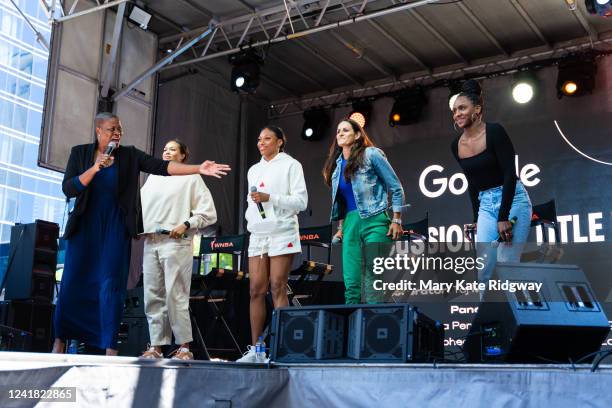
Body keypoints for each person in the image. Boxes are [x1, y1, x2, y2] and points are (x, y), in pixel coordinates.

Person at [52, 113, 230, 356]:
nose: (117, 133)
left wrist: (198, 168)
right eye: (112, 129)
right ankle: (61, 340)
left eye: (120, 129)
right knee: (74, 282)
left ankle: (114, 346)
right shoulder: (80, 153)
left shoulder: (130, 155)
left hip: (120, 228)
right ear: (98, 131)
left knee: (113, 286)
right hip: (88, 226)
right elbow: (69, 188)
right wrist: (95, 168)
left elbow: (163, 167)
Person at [139, 140, 217, 360]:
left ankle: (184, 348)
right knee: (152, 295)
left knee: (176, 295)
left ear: (183, 156)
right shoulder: (153, 178)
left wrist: (186, 224)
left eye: (172, 149)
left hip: (176, 242)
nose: (166, 151)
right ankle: (156, 347)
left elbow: (208, 213)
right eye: (164, 149)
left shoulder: (192, 177)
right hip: (151, 241)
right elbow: (140, 208)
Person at [237, 126, 307, 363]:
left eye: (267, 138)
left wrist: (271, 198)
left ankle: (282, 347)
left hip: (282, 231)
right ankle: (256, 350)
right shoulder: (254, 170)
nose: (261, 142)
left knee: (278, 286)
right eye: (259, 139)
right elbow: (251, 201)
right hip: (258, 233)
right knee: (256, 289)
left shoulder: (291, 165)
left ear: (280, 141)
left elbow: (301, 202)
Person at [450, 80, 532, 283]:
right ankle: (485, 315)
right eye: (454, 110)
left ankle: (514, 314)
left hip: (513, 200)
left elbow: (509, 174)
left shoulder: (495, 131)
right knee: (483, 267)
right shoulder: (456, 145)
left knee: (507, 263)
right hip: (486, 205)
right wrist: (477, 217)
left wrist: (503, 216)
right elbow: (472, 183)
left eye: (462, 108)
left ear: (476, 109)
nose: (457, 113)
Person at [322, 118, 404, 304]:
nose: (340, 134)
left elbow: (396, 187)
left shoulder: (371, 154)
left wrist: (396, 219)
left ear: (357, 135)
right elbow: (342, 201)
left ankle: (374, 329)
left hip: (375, 220)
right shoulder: (336, 166)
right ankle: (353, 330)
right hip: (351, 224)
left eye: (345, 130)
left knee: (373, 279)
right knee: (351, 283)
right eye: (338, 131)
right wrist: (341, 227)